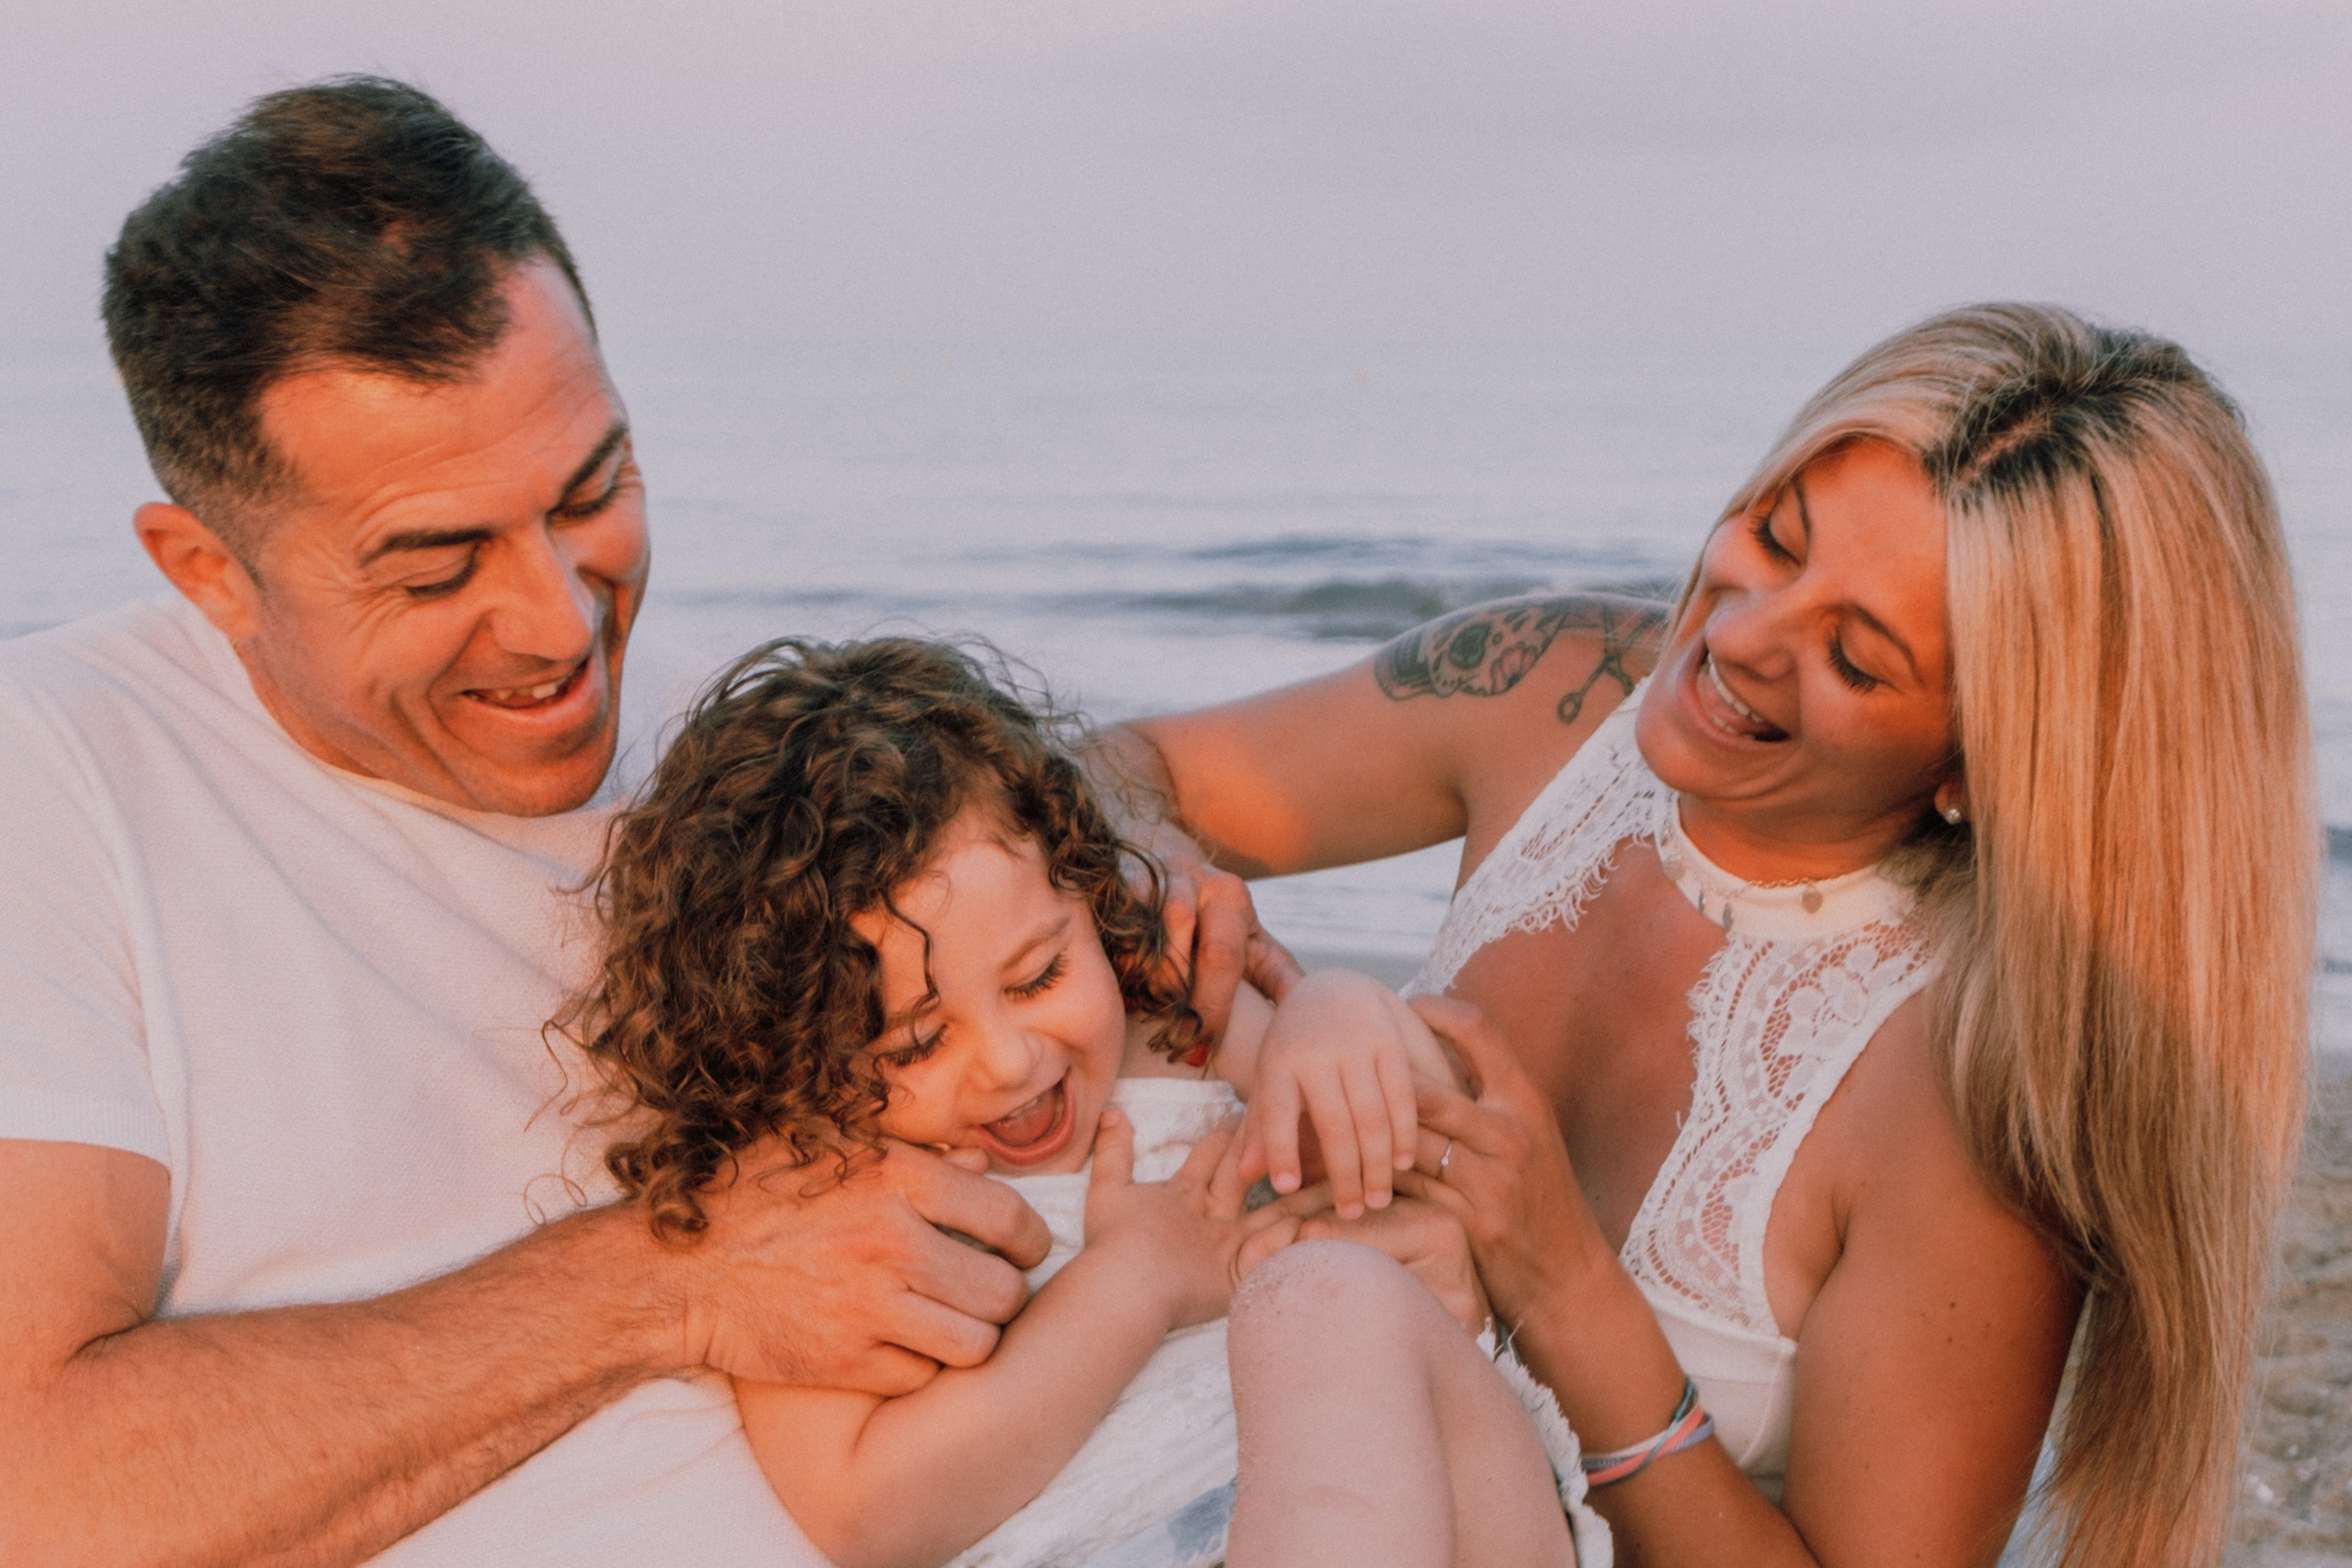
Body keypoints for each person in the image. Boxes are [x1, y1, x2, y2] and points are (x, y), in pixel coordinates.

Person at [0, 77, 1098, 1564]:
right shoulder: (56, 776)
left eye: (592, 491)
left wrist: (1147, 862)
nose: (562, 624)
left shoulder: (739, 760)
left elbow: (1397, 730)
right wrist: (669, 1277)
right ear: (206, 567)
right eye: (436, 562)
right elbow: (33, 1485)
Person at [1095, 305, 2313, 1568]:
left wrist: (1560, 1279)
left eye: (1852, 654)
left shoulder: (1966, 1106)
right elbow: (1114, 769)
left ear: (1984, 759)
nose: (1736, 636)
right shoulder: (1550, 687)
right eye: (1776, 538)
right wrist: (1161, 867)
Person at [561, 636, 1609, 1568]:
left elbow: (1430, 1146)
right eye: (919, 1042)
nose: (1012, 1061)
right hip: (1108, 1535)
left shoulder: (1176, 1035)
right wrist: (1138, 1282)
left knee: (1330, 1299)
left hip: (1430, 1506)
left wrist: (1338, 1012)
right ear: (782, 1058)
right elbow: (862, 1515)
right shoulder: (821, 1191)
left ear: (1090, 893)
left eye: (1038, 976)